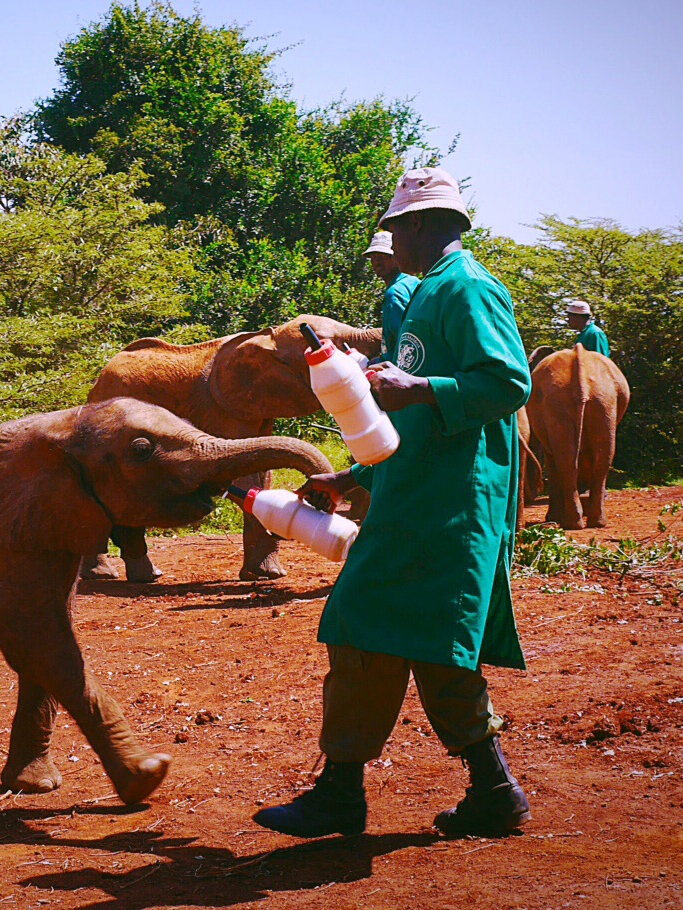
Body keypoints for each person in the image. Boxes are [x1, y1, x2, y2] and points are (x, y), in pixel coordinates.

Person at [254, 167, 532, 839]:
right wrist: (353, 480)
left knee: (361, 620)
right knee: (428, 643)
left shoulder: (468, 288)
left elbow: (509, 382)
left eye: (394, 228)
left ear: (414, 225)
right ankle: (492, 790)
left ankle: (341, 793)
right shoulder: (426, 295)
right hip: (414, 498)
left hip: (450, 508)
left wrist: (422, 384)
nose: (392, 241)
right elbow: (408, 426)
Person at [364, 231, 420, 364]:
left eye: (383, 256)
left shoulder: (394, 294)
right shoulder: (413, 281)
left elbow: (406, 341)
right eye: (373, 256)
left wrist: (381, 361)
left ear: (396, 257)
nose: (376, 261)